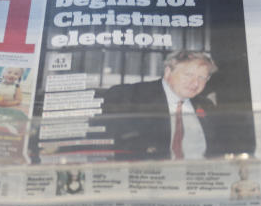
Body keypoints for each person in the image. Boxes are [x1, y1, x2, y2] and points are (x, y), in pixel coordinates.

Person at [98, 50, 250, 160]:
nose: (195, 83)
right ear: (168, 72)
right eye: (188, 74)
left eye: (202, 77)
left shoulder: (206, 105)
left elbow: (225, 146)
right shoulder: (131, 96)